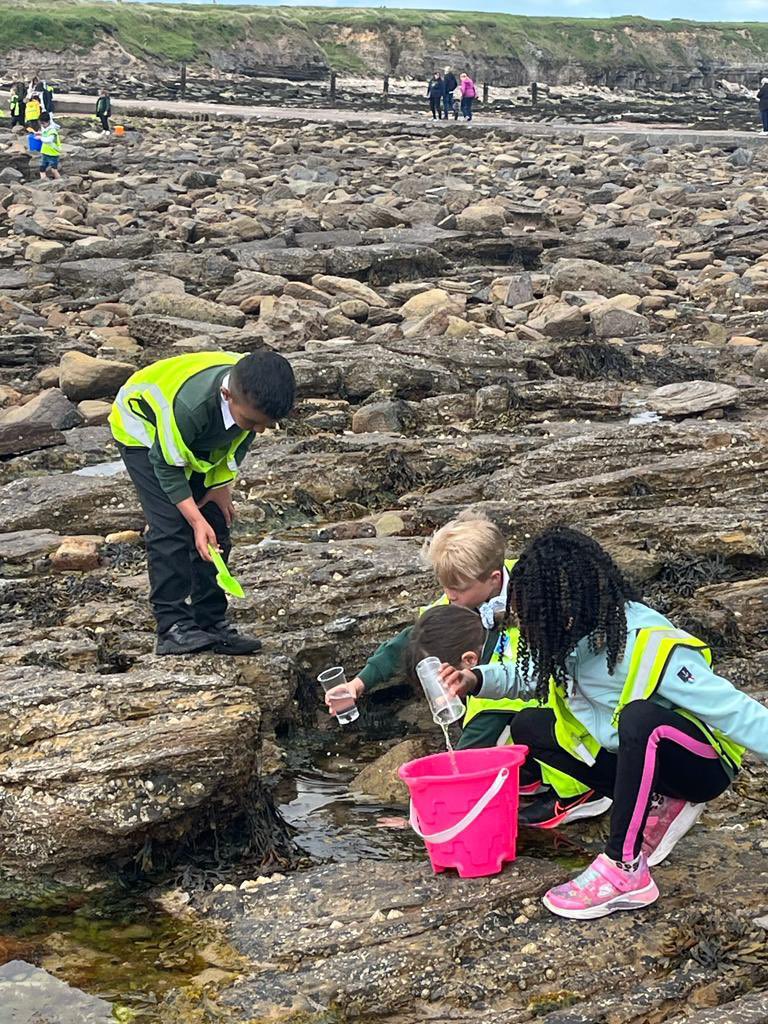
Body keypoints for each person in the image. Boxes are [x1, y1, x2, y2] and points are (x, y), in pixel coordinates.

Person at [440, 526, 768, 920]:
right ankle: (653, 801)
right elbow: (529, 674)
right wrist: (475, 680)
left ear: (574, 603)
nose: (529, 623)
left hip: (702, 767)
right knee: (528, 727)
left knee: (640, 719)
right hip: (639, 758)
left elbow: (735, 710)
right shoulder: (567, 634)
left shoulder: (645, 642)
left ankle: (624, 869)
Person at [325, 513, 597, 822]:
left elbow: (475, 738)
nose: (450, 596)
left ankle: (577, 791)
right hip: (505, 685)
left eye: (456, 589)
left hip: (560, 697)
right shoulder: (467, 592)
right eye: (445, 587)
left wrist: (426, 815)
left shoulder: (535, 598)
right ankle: (529, 773)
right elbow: (417, 635)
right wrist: (359, 684)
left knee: (507, 724)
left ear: (494, 579)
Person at [109, 351, 295, 656]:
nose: (259, 430)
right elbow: (167, 466)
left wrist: (221, 487)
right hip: (142, 430)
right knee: (171, 526)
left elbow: (240, 439)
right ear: (226, 395)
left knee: (216, 520)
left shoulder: (255, 394)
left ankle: (210, 622)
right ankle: (171, 627)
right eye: (252, 422)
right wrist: (195, 521)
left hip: (192, 435)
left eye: (267, 425)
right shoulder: (188, 407)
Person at [404, 603, 600, 817]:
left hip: (587, 757)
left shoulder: (486, 705)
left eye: (442, 685)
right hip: (588, 721)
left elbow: (463, 761)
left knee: (507, 734)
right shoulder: (504, 631)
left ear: (469, 661)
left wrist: (426, 813)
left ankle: (575, 795)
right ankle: (534, 777)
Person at [37, 112, 61, 181]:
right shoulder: (45, 129)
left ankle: (60, 180)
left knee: (53, 169)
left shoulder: (52, 130)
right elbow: (45, 134)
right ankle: (43, 180)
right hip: (45, 152)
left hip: (53, 152)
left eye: (43, 124)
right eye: (41, 124)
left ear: (48, 122)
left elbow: (49, 140)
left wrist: (40, 138)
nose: (42, 125)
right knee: (42, 168)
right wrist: (39, 133)